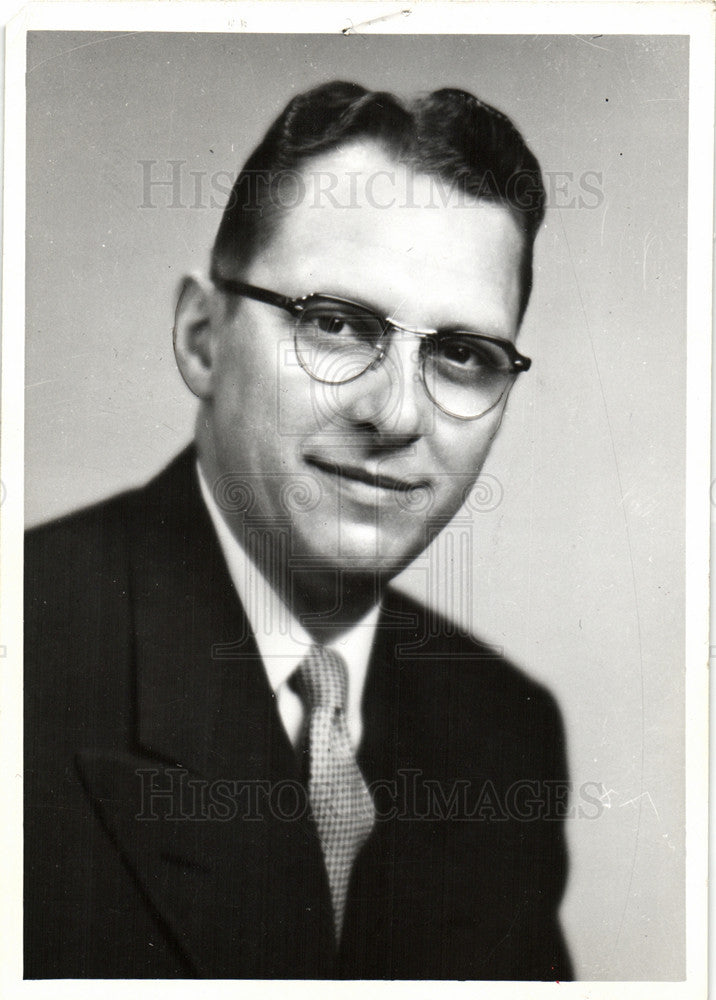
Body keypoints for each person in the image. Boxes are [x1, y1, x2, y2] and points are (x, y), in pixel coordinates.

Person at [24, 81, 573, 980]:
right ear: (203, 337)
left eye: (462, 354)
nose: (396, 415)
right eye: (335, 323)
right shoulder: (27, 660)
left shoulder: (499, 732)